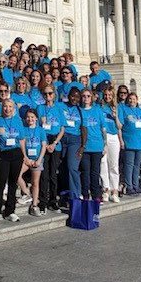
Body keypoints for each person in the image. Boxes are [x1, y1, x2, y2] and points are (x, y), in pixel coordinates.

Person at [35, 83, 67, 214]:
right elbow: (39, 127)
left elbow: (62, 128)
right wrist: (46, 144)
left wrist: (54, 143)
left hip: (55, 144)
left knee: (53, 175)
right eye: (45, 94)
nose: (48, 96)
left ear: (54, 95)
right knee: (44, 175)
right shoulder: (40, 108)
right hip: (44, 143)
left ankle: (53, 201)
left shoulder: (59, 108)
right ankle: (42, 202)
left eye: (50, 93)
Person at [0, 98, 25, 222]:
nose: (8, 109)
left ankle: (10, 211)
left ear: (14, 108)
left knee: (13, 183)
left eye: (10, 106)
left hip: (16, 154)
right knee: (0, 184)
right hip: (3, 154)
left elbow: (21, 140)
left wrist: (25, 156)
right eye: (5, 106)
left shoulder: (18, 121)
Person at [77, 88, 108, 203]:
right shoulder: (79, 110)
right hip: (84, 146)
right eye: (84, 96)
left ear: (92, 98)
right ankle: (85, 193)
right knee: (85, 171)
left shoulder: (97, 110)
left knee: (95, 172)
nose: (86, 98)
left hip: (97, 145)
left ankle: (96, 194)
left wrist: (105, 145)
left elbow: (103, 128)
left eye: (88, 96)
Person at [59, 87, 86, 207]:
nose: (74, 98)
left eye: (77, 97)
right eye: (72, 96)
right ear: (68, 96)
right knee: (62, 168)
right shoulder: (60, 106)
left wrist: (82, 146)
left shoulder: (80, 110)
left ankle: (75, 195)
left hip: (75, 140)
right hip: (62, 138)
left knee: (72, 167)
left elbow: (84, 129)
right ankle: (64, 194)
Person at [119, 93, 141, 196]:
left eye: (134, 99)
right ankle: (129, 186)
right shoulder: (123, 109)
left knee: (137, 165)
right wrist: (121, 140)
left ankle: (136, 185)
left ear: (137, 100)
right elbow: (120, 125)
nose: (132, 101)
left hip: (140, 142)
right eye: (130, 99)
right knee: (129, 165)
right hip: (129, 141)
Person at [19, 107, 46, 215]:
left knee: (35, 183)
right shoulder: (23, 129)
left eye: (32, 117)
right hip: (26, 159)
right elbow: (22, 144)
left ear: (36, 118)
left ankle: (34, 205)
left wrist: (39, 160)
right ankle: (26, 192)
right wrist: (25, 158)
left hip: (37, 159)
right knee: (16, 174)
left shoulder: (40, 130)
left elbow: (43, 145)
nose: (30, 119)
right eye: (28, 117)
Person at [99, 88, 123, 202]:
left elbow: (119, 126)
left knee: (113, 165)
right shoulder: (99, 107)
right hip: (103, 137)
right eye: (105, 94)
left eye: (109, 95)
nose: (107, 96)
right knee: (103, 163)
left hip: (113, 137)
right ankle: (106, 189)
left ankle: (115, 190)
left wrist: (115, 116)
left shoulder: (116, 108)